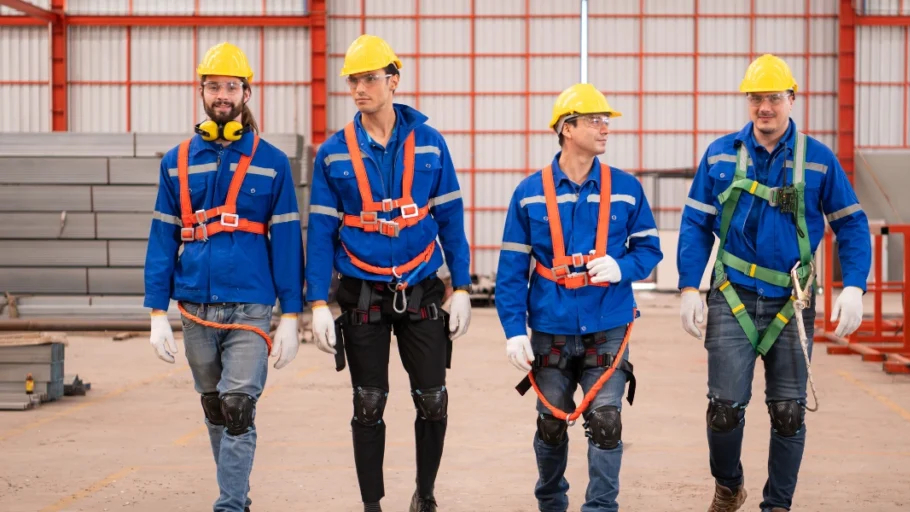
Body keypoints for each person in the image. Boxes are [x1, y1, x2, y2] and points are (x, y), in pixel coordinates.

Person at [676, 53, 870, 512]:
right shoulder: (721, 154)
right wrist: (688, 286)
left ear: (791, 99)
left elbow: (852, 225)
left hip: (792, 299)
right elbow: (695, 224)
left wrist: (855, 285)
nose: (765, 107)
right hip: (733, 294)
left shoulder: (819, 161)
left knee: (788, 412)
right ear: (749, 101)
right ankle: (729, 485)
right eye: (756, 97)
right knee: (724, 411)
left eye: (774, 98)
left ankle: (776, 505)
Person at [303, 34, 473, 512]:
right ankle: (372, 506)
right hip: (361, 293)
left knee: (433, 399)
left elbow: (451, 220)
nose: (359, 88)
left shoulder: (431, 144)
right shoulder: (333, 153)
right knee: (368, 403)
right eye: (353, 80)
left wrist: (461, 286)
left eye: (369, 78)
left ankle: (425, 495)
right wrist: (317, 301)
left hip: (420, 286)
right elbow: (319, 232)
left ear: (393, 80)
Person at [143, 41, 304, 512]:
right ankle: (237, 495)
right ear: (202, 91)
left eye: (231, 86)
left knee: (238, 408)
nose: (222, 95)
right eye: (213, 85)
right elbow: (161, 238)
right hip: (195, 305)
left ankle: (230, 505)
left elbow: (288, 243)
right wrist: (157, 311)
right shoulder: (176, 161)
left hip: (251, 304)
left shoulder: (272, 162)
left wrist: (291, 313)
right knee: (215, 408)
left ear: (246, 93)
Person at [496, 83, 663, 512]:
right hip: (549, 330)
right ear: (567, 128)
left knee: (606, 423)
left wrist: (621, 267)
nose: (605, 128)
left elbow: (649, 249)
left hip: (607, 325)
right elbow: (512, 272)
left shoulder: (626, 189)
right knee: (551, 424)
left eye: (606, 121)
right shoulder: (529, 193)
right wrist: (514, 331)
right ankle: (551, 504)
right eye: (595, 121)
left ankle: (600, 509)